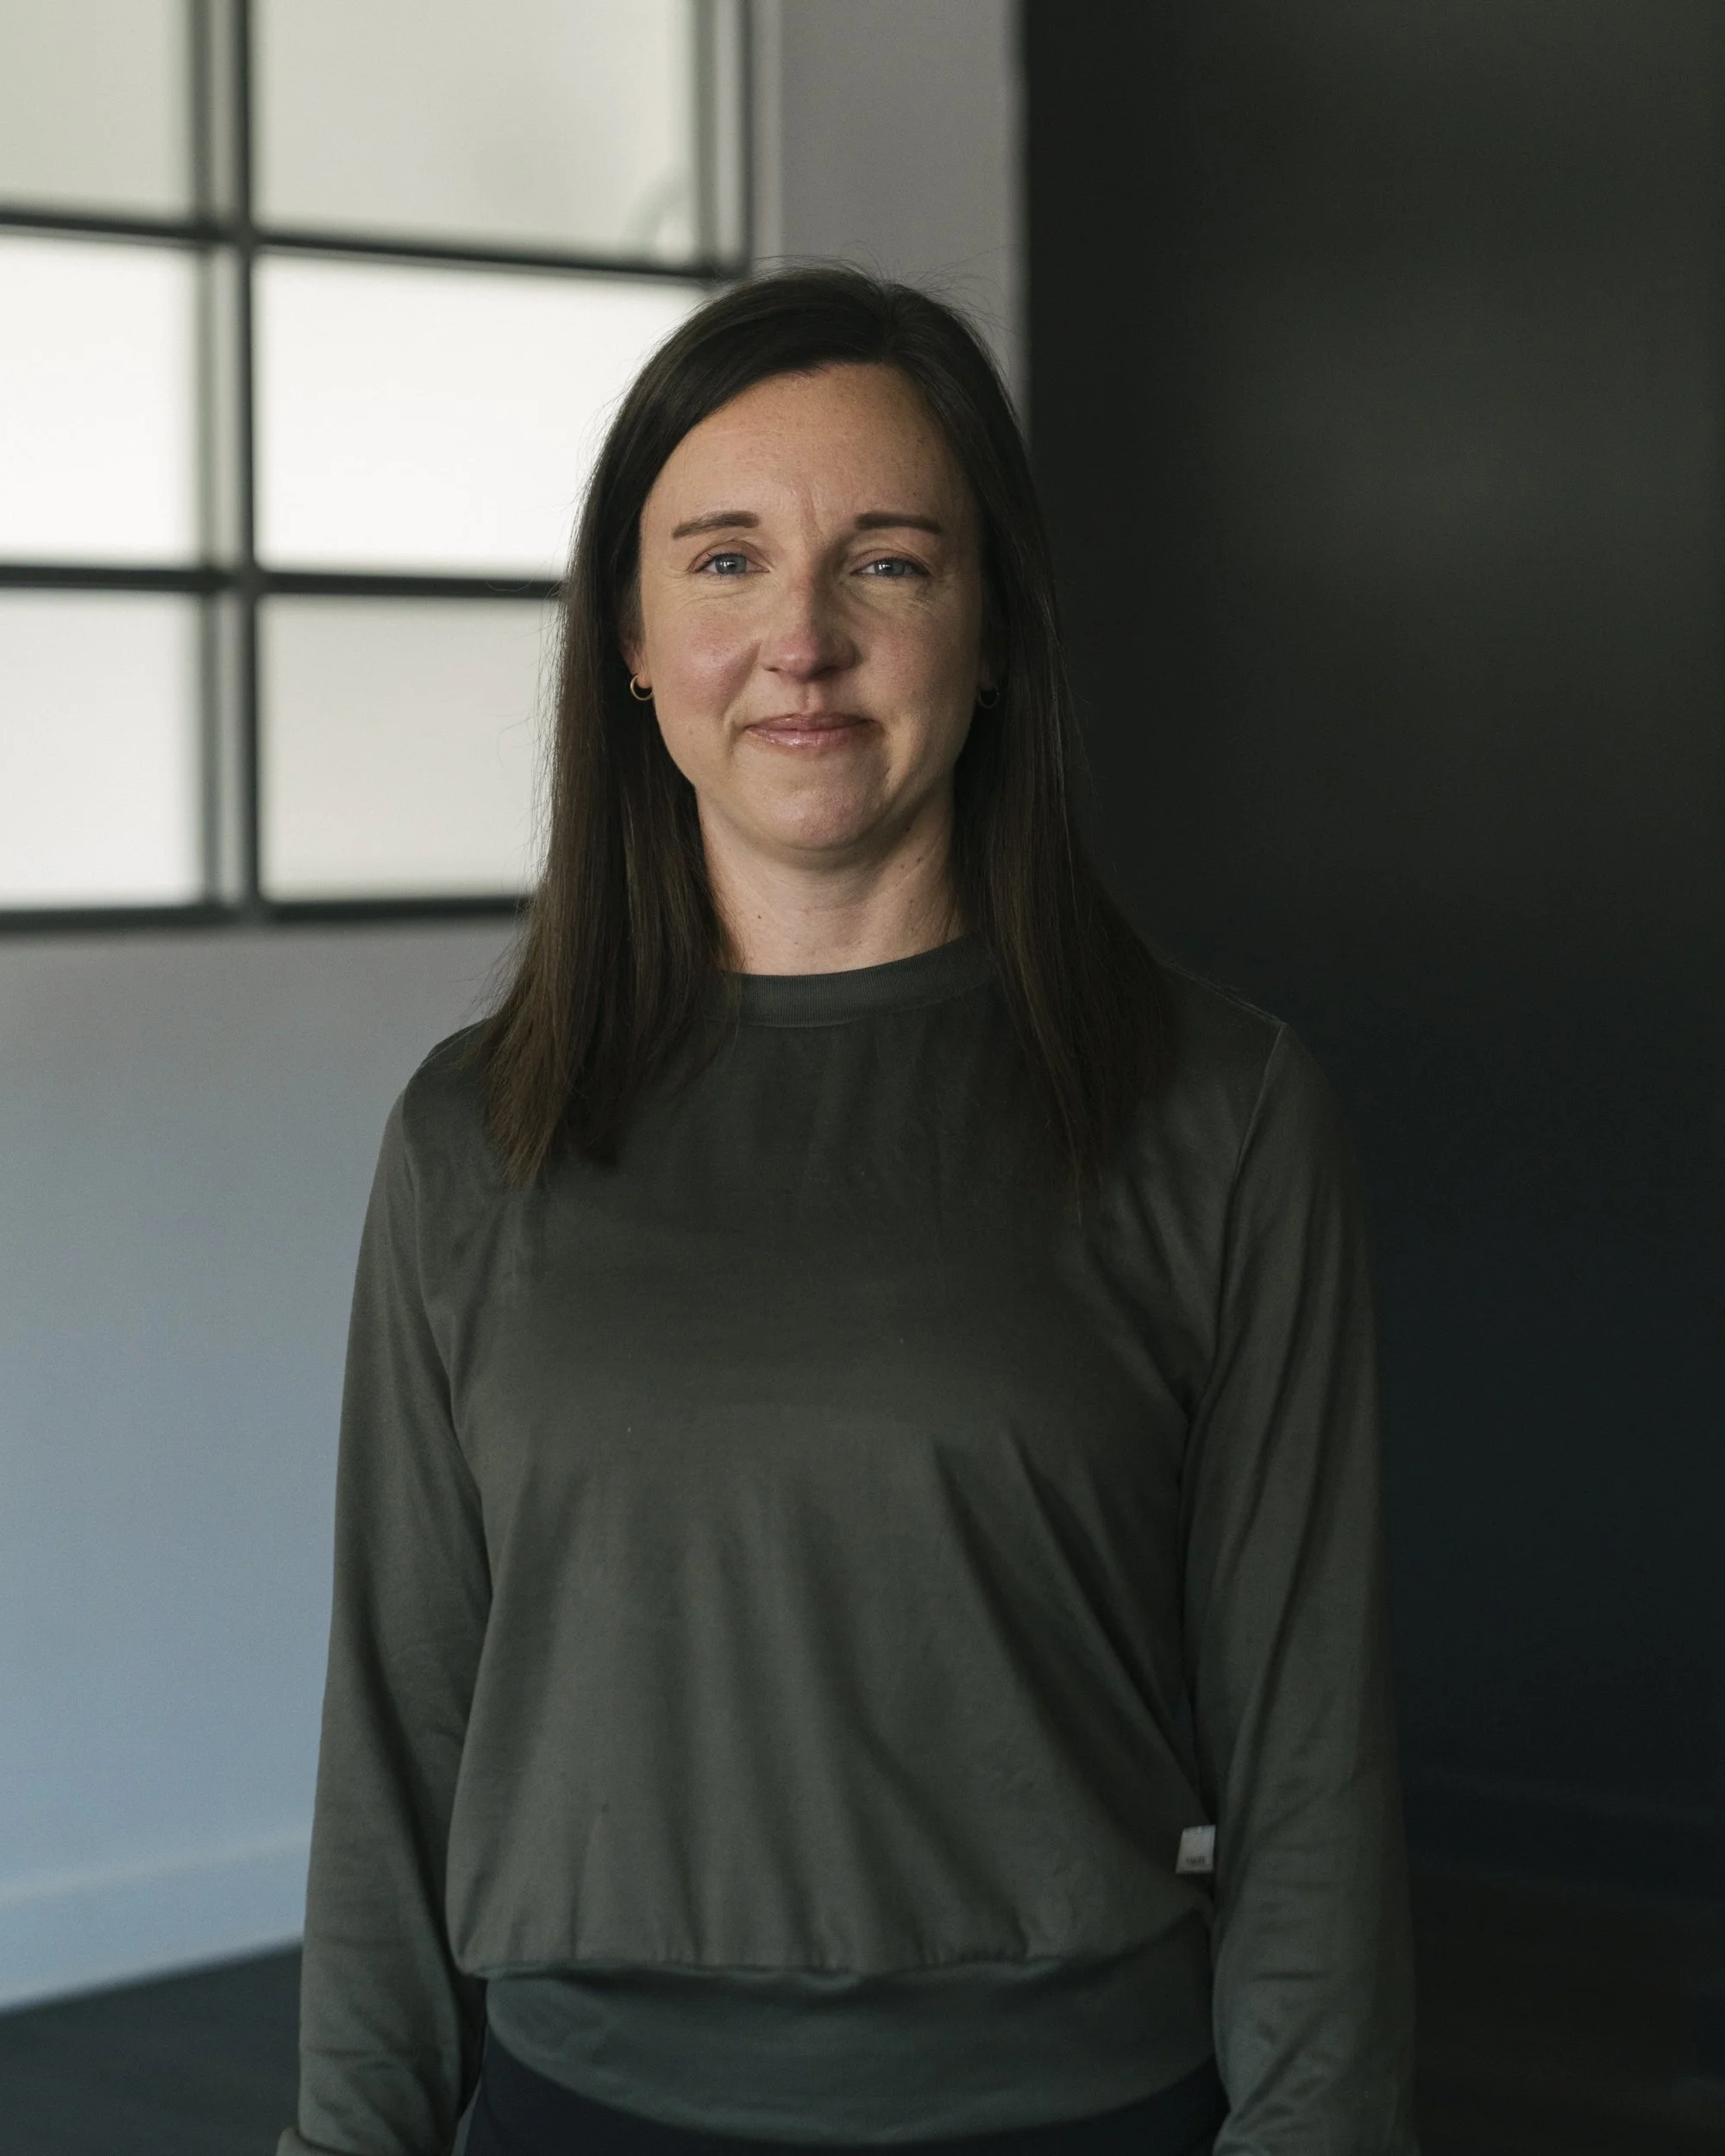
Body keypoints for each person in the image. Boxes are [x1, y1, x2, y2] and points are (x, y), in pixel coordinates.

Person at [281, 266, 1418, 2156]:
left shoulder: (1220, 1113)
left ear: (995, 632)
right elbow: (391, 1750)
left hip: (1080, 2112)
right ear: (630, 638)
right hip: (584, 2114)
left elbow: (1313, 1759)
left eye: (885, 562)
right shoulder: (473, 1135)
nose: (797, 642)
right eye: (723, 560)